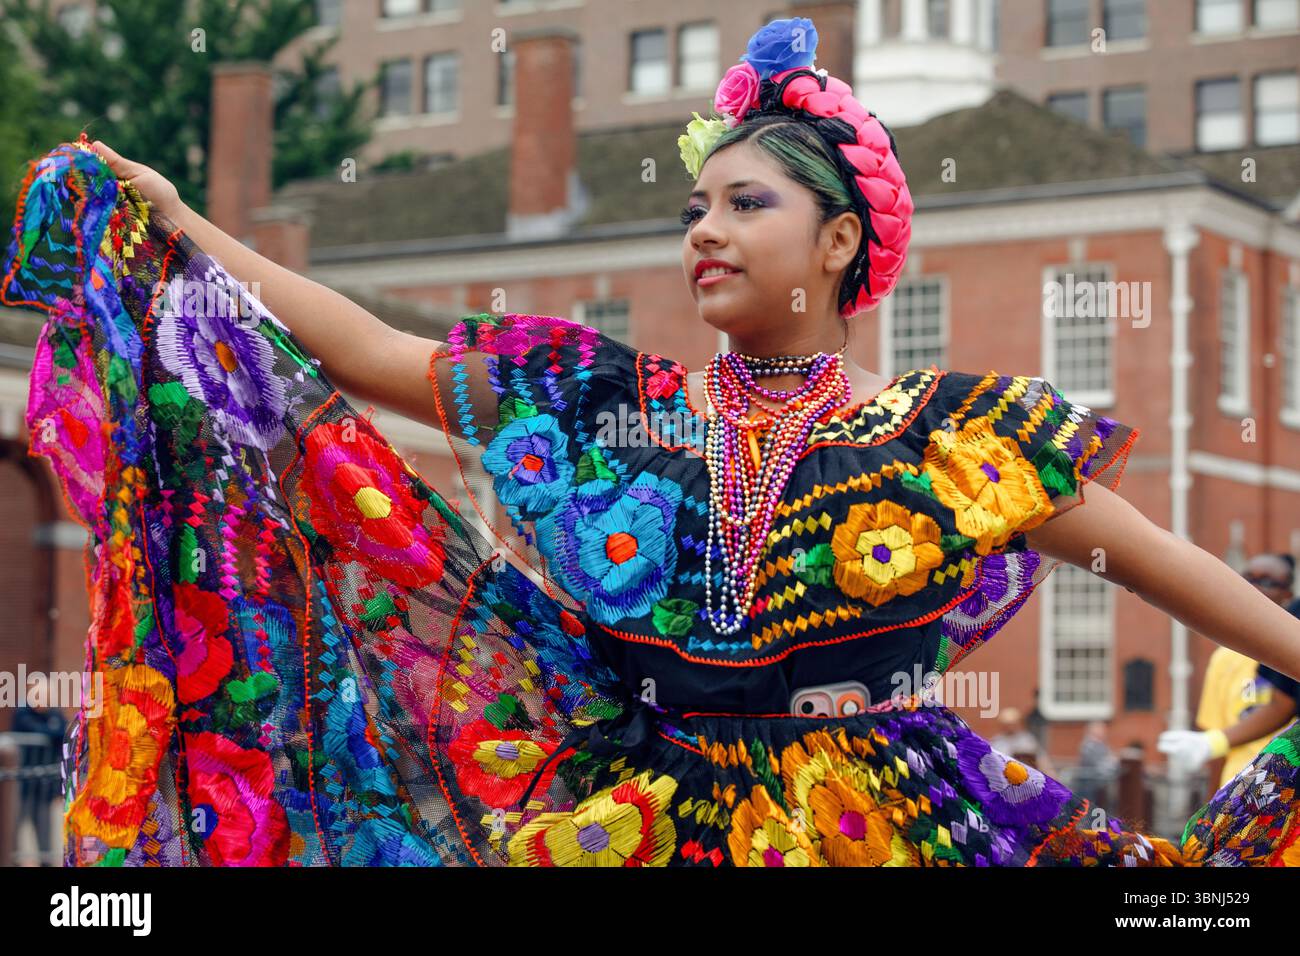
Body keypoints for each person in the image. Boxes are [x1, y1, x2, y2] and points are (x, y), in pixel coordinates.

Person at [5, 16, 1300, 867]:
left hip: (893, 832)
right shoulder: (608, 411)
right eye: (697, 208)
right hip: (640, 825)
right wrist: (182, 225)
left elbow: (1151, 562)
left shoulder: (943, 442)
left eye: (748, 203)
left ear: (842, 241)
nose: (706, 231)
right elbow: (365, 354)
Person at [1161, 553, 1300, 801]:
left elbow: (1283, 704)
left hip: (1286, 789)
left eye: (1268, 582)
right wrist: (1210, 807)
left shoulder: (1291, 642)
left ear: (1288, 593)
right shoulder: (1224, 658)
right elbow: (1215, 736)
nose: (1256, 588)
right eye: (1248, 579)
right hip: (1237, 791)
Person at [10, 680, 68, 865]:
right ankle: (11, 859)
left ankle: (45, 861)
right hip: (21, 782)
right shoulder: (22, 712)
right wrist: (51, 732)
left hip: (45, 784)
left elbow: (62, 731)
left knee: (44, 825)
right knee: (14, 822)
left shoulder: (54, 713)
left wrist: (52, 732)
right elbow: (39, 730)